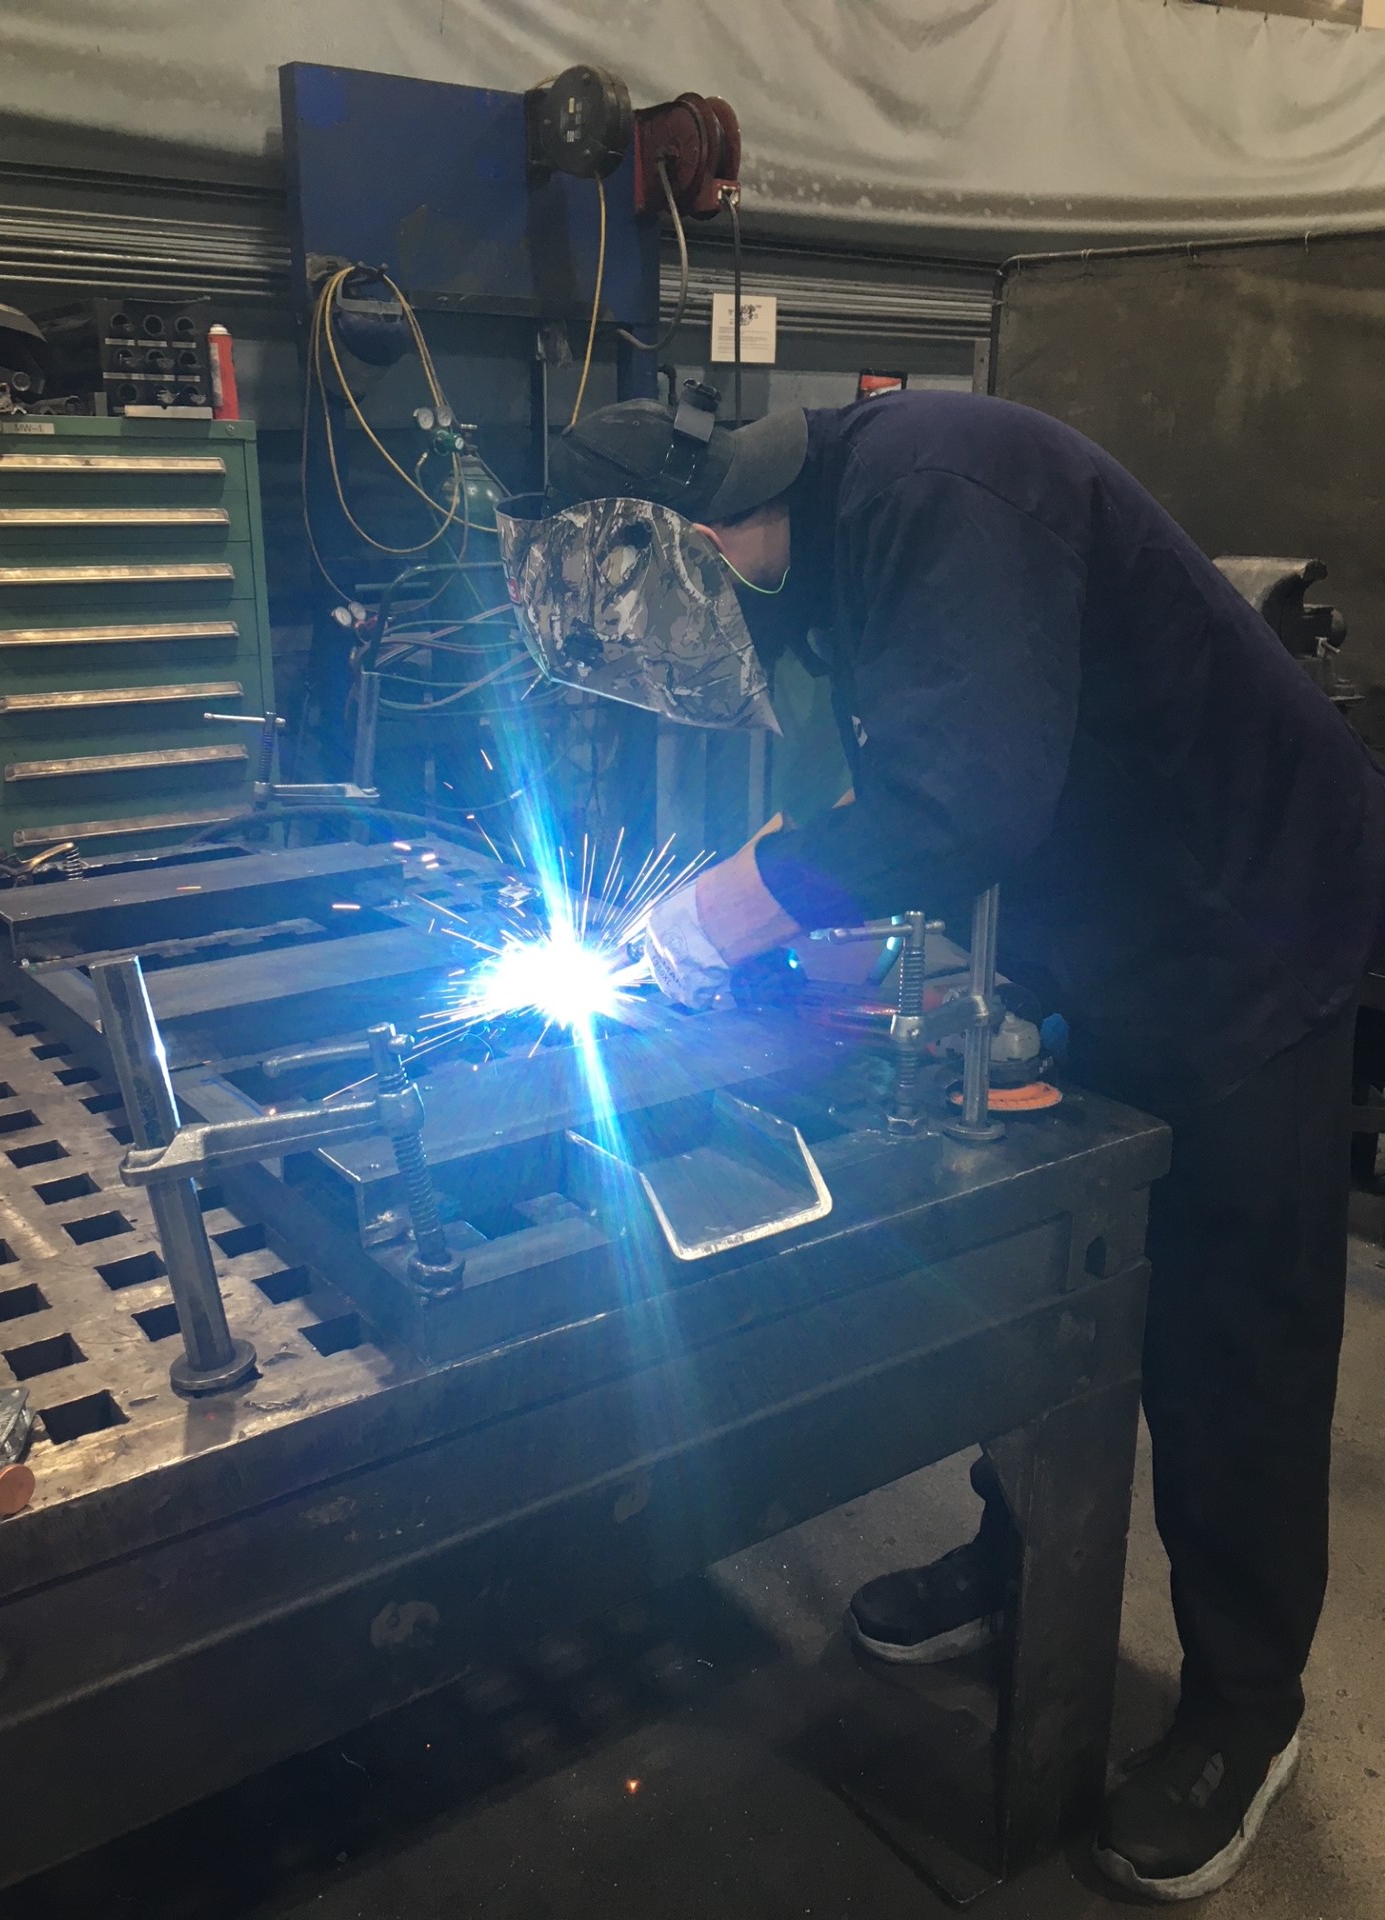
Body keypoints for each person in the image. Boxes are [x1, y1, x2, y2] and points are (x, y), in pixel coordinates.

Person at [500, 384, 1385, 1902]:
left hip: (1250, 923)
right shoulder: (843, 534)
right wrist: (821, 921)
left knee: (1234, 1326)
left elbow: (956, 801)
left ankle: (1246, 1707)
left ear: (696, 537)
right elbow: (939, 779)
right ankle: (1022, 1559)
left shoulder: (934, 490)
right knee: (1065, 1279)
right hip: (1113, 918)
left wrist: (728, 904)